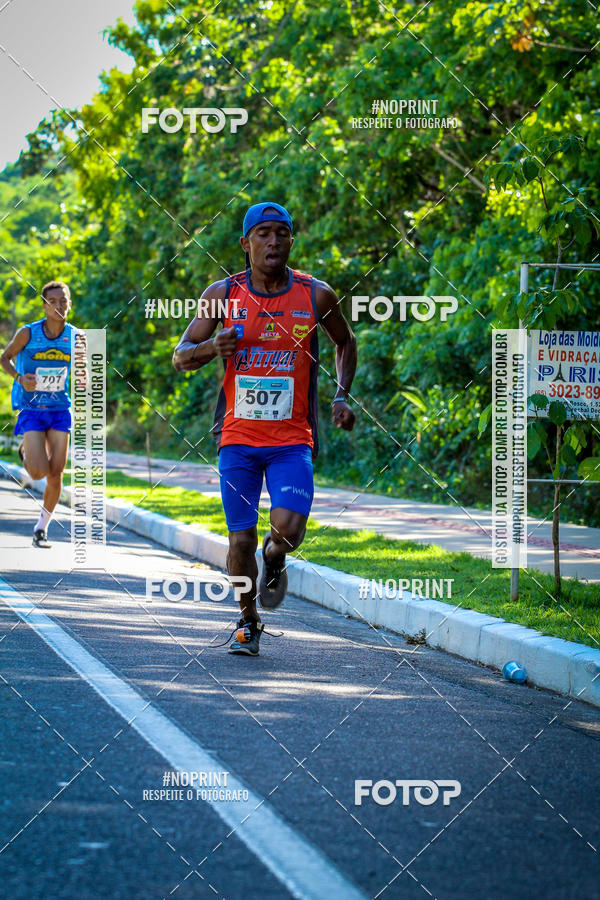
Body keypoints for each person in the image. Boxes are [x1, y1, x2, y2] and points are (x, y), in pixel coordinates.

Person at [173, 202, 357, 655]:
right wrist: (212, 348)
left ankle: (275, 557)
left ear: (292, 240)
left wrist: (340, 395)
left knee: (289, 529)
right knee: (239, 538)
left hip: (292, 438)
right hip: (236, 437)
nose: (273, 242)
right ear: (245, 243)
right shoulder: (222, 294)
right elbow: (180, 356)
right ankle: (248, 620)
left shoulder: (316, 295)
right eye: (262, 234)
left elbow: (345, 342)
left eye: (281, 233)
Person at [0, 281, 77, 547]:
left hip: (59, 409)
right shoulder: (28, 333)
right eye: (53, 301)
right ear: (44, 306)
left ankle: (41, 529)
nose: (59, 306)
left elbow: (83, 370)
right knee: (37, 473)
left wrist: (85, 376)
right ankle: (26, 451)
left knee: (56, 474)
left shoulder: (77, 336)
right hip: (32, 409)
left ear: (69, 304)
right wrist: (21, 378)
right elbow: (4, 358)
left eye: (63, 300)